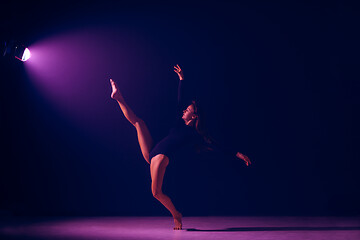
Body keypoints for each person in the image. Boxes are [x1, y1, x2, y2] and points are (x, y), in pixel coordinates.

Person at [110, 64, 251, 230]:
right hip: (152, 152)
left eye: (188, 110)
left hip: (161, 157)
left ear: (195, 115)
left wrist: (237, 154)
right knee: (138, 123)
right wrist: (182, 79)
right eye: (185, 109)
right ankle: (118, 97)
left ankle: (176, 214)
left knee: (156, 192)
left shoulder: (196, 135)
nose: (184, 110)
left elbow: (217, 146)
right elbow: (180, 99)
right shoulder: (179, 122)